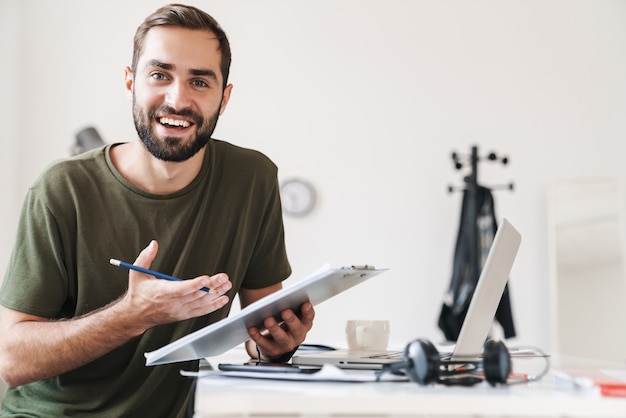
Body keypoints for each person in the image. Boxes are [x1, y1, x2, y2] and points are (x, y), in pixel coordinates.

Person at [0, 3, 314, 417]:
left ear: (225, 96)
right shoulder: (61, 188)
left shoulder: (252, 179)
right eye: (159, 75)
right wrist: (132, 316)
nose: (177, 99)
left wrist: (276, 345)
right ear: (131, 82)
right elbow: (12, 361)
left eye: (200, 81)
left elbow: (259, 328)